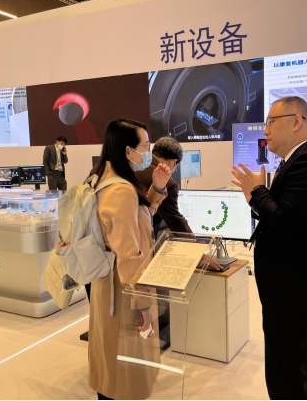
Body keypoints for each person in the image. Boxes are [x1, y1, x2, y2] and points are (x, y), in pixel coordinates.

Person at [232, 96, 307, 400]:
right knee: (300, 362)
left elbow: (284, 220)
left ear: (296, 121)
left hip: (294, 291)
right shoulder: (300, 159)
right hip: (294, 289)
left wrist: (257, 191)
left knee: (285, 375)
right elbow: (287, 216)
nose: (265, 130)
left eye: (271, 122)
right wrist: (257, 196)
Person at [88, 118, 172, 401]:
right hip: (124, 288)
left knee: (112, 359)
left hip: (111, 283)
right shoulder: (120, 190)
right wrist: (144, 305)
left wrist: (156, 189)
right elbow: (129, 254)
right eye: (145, 146)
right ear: (127, 150)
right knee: (123, 366)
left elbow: (136, 221)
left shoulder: (104, 177)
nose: (148, 152)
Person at [136, 137, 192, 237]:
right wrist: (196, 244)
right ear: (173, 162)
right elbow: (176, 223)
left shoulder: (137, 166)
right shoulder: (168, 184)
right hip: (140, 237)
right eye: (175, 167)